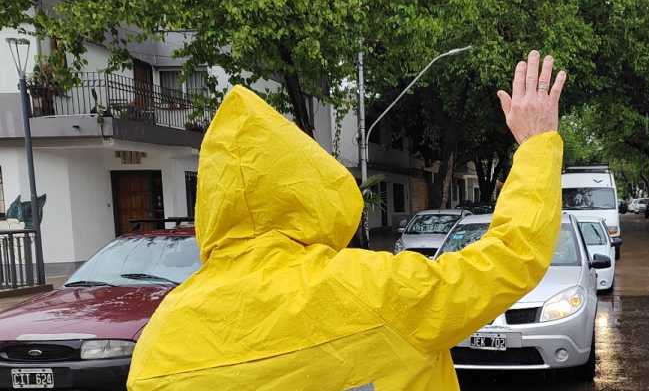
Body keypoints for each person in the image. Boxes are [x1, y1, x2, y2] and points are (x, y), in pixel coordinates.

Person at [127, 50, 568, 391]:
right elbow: (512, 256)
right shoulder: (372, 291)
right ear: (308, 189)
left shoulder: (164, 337)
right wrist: (537, 144)